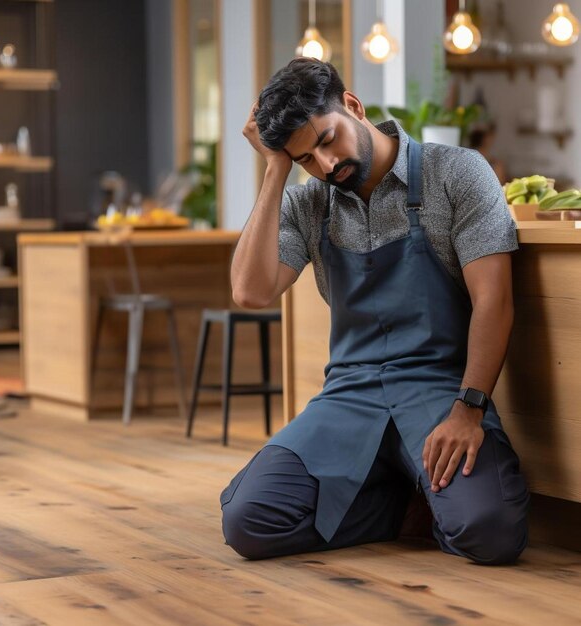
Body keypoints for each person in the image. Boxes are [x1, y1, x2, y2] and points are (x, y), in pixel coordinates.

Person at [220, 58, 529, 565]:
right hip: (349, 397)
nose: (324, 165)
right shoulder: (308, 203)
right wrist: (275, 169)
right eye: (303, 159)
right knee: (248, 521)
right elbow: (250, 293)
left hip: (439, 393)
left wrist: (469, 409)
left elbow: (494, 301)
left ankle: (422, 497)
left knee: (490, 532)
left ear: (353, 106)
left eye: (325, 140)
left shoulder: (456, 173)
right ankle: (405, 508)